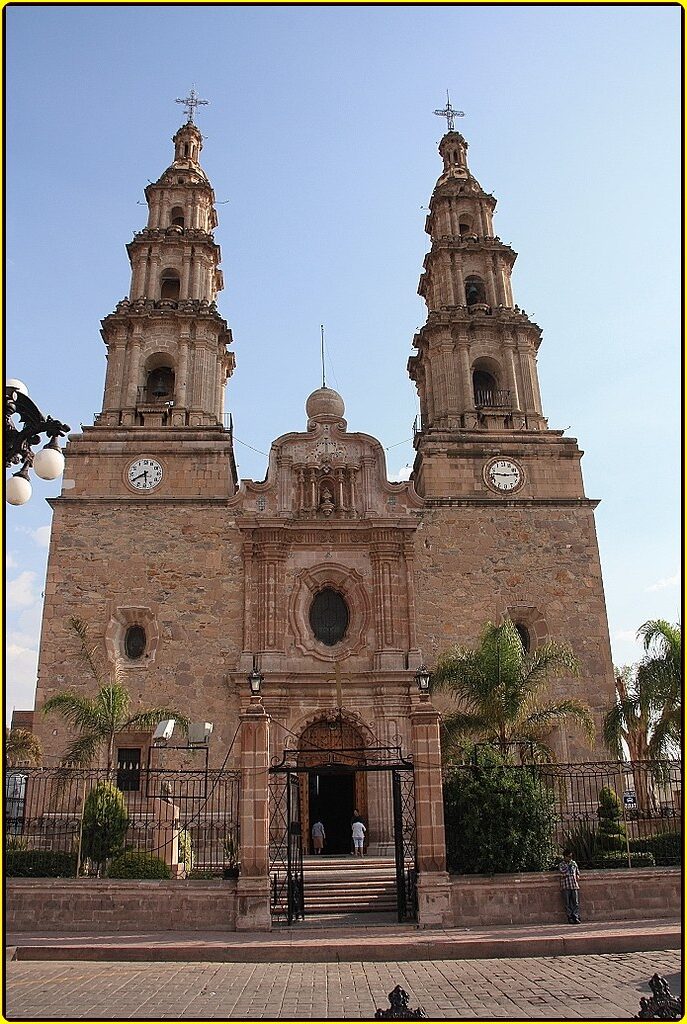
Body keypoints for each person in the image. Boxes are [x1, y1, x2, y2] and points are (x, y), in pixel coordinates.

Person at [559, 848, 581, 923]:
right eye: (569, 856)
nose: (570, 858)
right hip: (566, 886)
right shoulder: (562, 864)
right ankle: (570, 917)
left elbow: (577, 872)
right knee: (567, 903)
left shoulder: (574, 863)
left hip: (574, 885)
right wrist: (568, 869)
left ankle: (576, 916)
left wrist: (577, 875)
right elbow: (563, 874)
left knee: (575, 902)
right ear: (565, 857)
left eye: (571, 856)